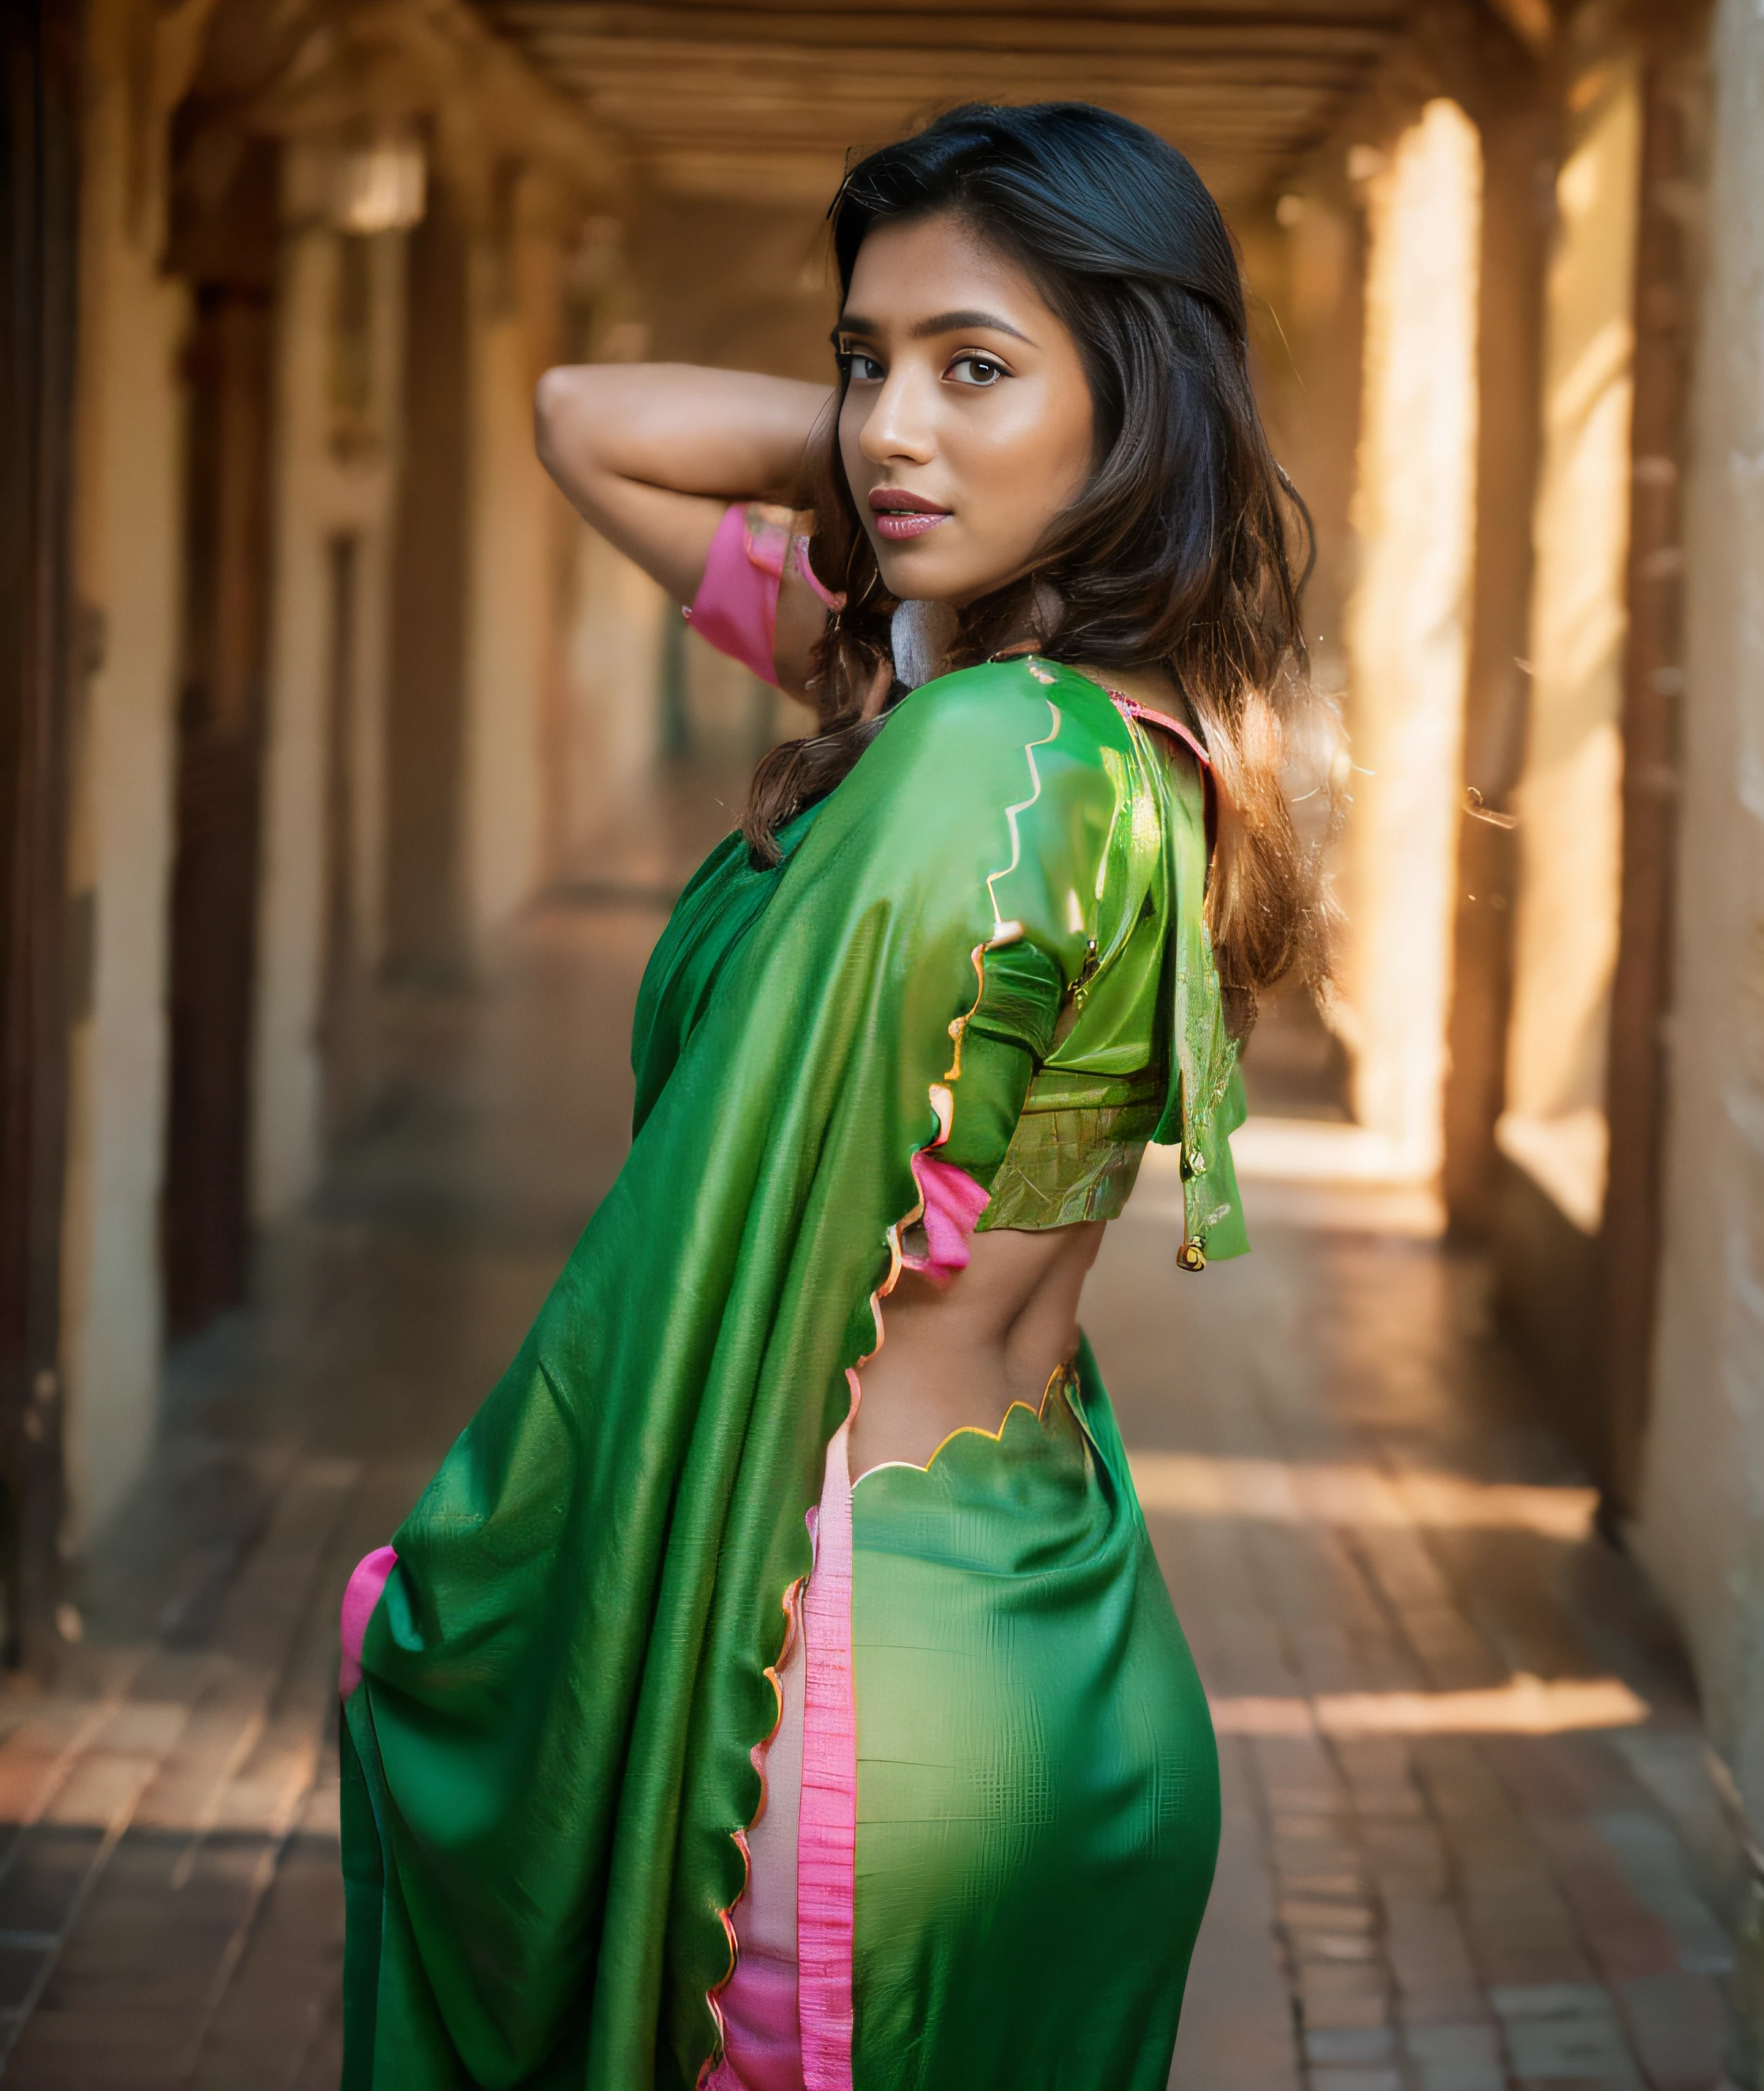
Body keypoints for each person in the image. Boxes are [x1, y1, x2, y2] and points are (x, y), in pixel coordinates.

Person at [338, 101, 1328, 2091]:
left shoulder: (973, 762)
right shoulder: (1057, 719)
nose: (888, 428)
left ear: (1136, 401)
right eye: (863, 360)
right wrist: (925, 456)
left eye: (979, 366)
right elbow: (580, 415)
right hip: (1047, 1636)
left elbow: (688, 1262)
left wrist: (464, 1597)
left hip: (835, 1714)